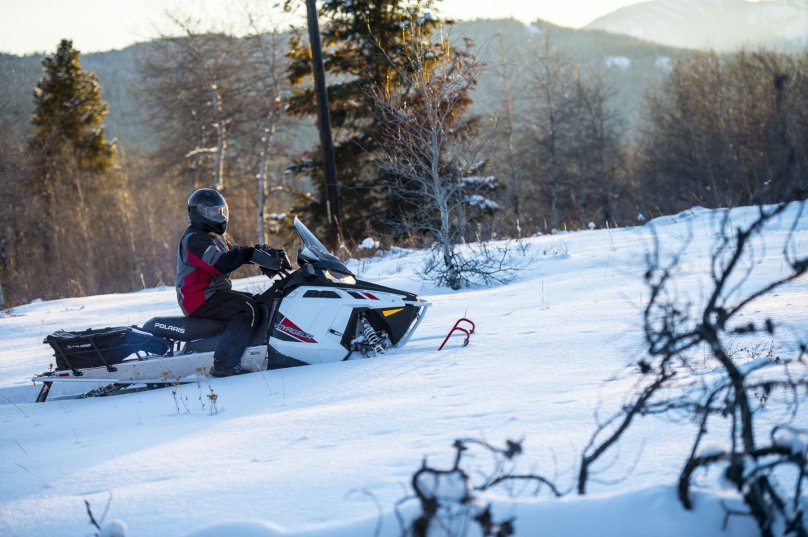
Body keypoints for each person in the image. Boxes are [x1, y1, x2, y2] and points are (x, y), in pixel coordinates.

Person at [175, 188, 259, 377]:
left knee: (259, 302)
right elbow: (221, 262)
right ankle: (225, 365)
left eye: (220, 211)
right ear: (198, 213)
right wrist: (247, 255)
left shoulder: (213, 238)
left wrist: (262, 254)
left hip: (213, 295)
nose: (218, 216)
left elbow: (234, 251)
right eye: (212, 212)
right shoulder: (195, 239)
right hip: (198, 298)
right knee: (246, 310)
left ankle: (253, 351)